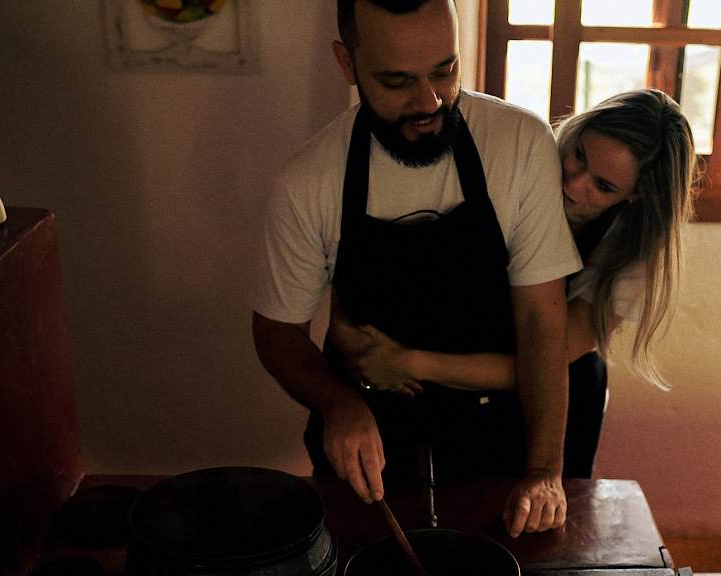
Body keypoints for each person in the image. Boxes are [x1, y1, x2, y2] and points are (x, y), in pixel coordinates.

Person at [251, 0, 581, 536]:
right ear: (347, 63)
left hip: (501, 434)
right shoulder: (309, 180)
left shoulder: (520, 144)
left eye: (445, 71)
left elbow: (540, 321)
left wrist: (544, 470)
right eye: (397, 81)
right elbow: (276, 331)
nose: (429, 101)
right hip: (373, 442)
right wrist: (337, 403)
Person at [330, 89, 697, 477]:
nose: (574, 184)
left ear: (638, 194)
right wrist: (346, 328)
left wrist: (412, 363)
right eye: (579, 156)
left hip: (549, 394)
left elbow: (545, 362)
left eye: (603, 186)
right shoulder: (519, 161)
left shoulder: (633, 252)